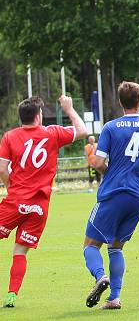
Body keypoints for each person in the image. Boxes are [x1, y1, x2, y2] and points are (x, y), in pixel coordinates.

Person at [83, 81, 139, 310]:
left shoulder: (111, 127)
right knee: (116, 247)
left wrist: (109, 171)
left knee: (90, 246)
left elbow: (97, 161)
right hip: (138, 197)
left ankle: (100, 277)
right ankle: (114, 297)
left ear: (120, 102)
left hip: (113, 193)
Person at [0, 95, 87, 308]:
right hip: (39, 207)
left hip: (16, 201)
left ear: (21, 117)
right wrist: (69, 109)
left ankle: (11, 295)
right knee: (20, 252)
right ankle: (11, 295)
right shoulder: (53, 133)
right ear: (39, 116)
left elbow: (2, 168)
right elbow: (83, 130)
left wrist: (10, 186)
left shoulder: (10, 136)